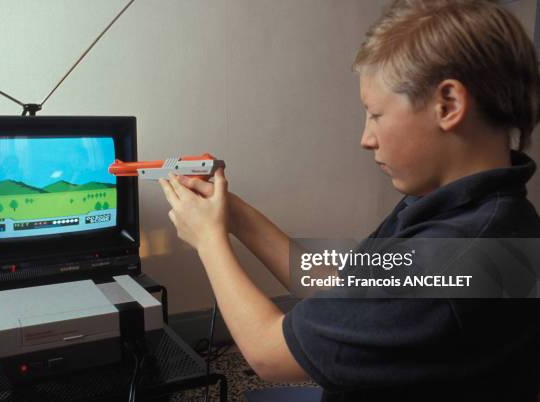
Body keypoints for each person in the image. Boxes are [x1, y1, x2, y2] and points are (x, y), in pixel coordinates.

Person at [159, 0, 540, 400]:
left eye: (375, 114)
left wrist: (209, 240)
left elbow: (270, 355)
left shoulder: (455, 261)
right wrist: (232, 212)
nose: (366, 138)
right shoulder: (471, 212)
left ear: (448, 105)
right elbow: (340, 288)